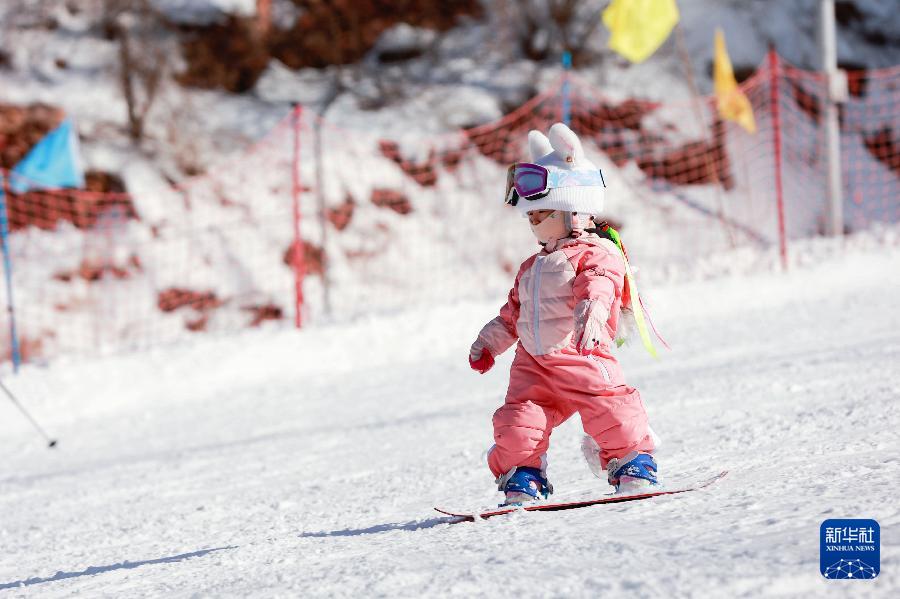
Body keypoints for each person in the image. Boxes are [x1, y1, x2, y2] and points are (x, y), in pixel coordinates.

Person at [468, 122, 660, 505]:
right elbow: (512, 314)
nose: (534, 223)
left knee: (611, 409)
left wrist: (593, 312)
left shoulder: (595, 253)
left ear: (574, 210)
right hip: (534, 366)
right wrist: (488, 342)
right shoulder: (532, 266)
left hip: (581, 354)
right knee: (517, 421)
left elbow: (601, 284)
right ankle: (523, 475)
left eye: (541, 214)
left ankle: (632, 462)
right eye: (531, 217)